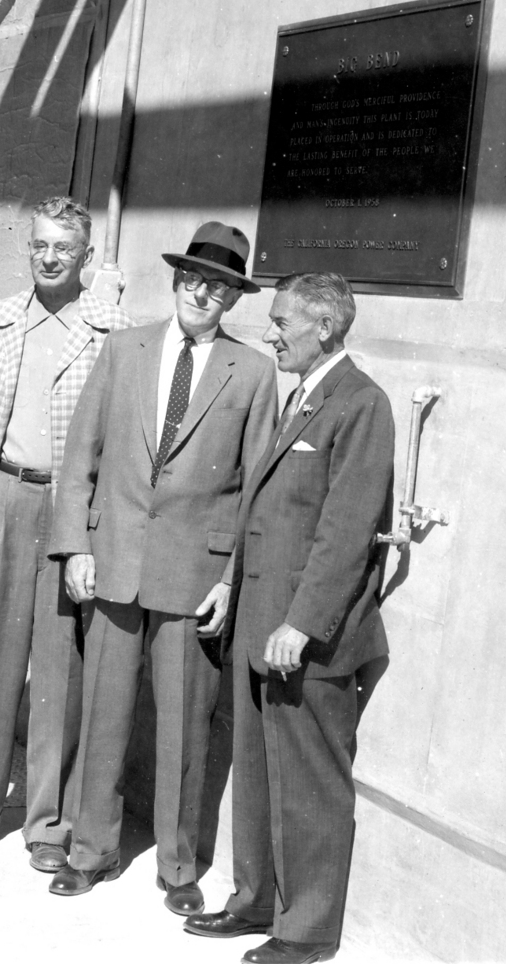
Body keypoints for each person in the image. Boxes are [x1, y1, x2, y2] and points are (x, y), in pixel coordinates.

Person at [47, 222, 277, 912]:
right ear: (176, 281)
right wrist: (76, 548)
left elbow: (257, 491)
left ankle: (178, 869)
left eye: (218, 287)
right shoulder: (124, 349)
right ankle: (89, 851)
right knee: (104, 717)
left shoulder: (253, 373)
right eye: (192, 280)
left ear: (232, 298)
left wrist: (230, 580)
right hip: (113, 561)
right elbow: (79, 458)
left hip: (191, 577)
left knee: (183, 728)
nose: (201, 294)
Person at [184, 272, 394, 964]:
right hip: (258, 620)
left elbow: (346, 529)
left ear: (325, 328)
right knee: (255, 771)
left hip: (306, 638)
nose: (269, 332)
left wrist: (300, 624)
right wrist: (229, 583)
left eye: (280, 321)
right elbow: (263, 512)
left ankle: (304, 930)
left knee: (307, 782)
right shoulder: (300, 394)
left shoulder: (359, 403)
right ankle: (253, 901)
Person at [0, 196, 133, 872]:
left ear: (85, 257)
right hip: (1, 499)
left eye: (63, 249)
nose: (49, 258)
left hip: (66, 509)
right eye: (40, 246)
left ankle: (47, 824)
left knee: (56, 671)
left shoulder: (112, 333)